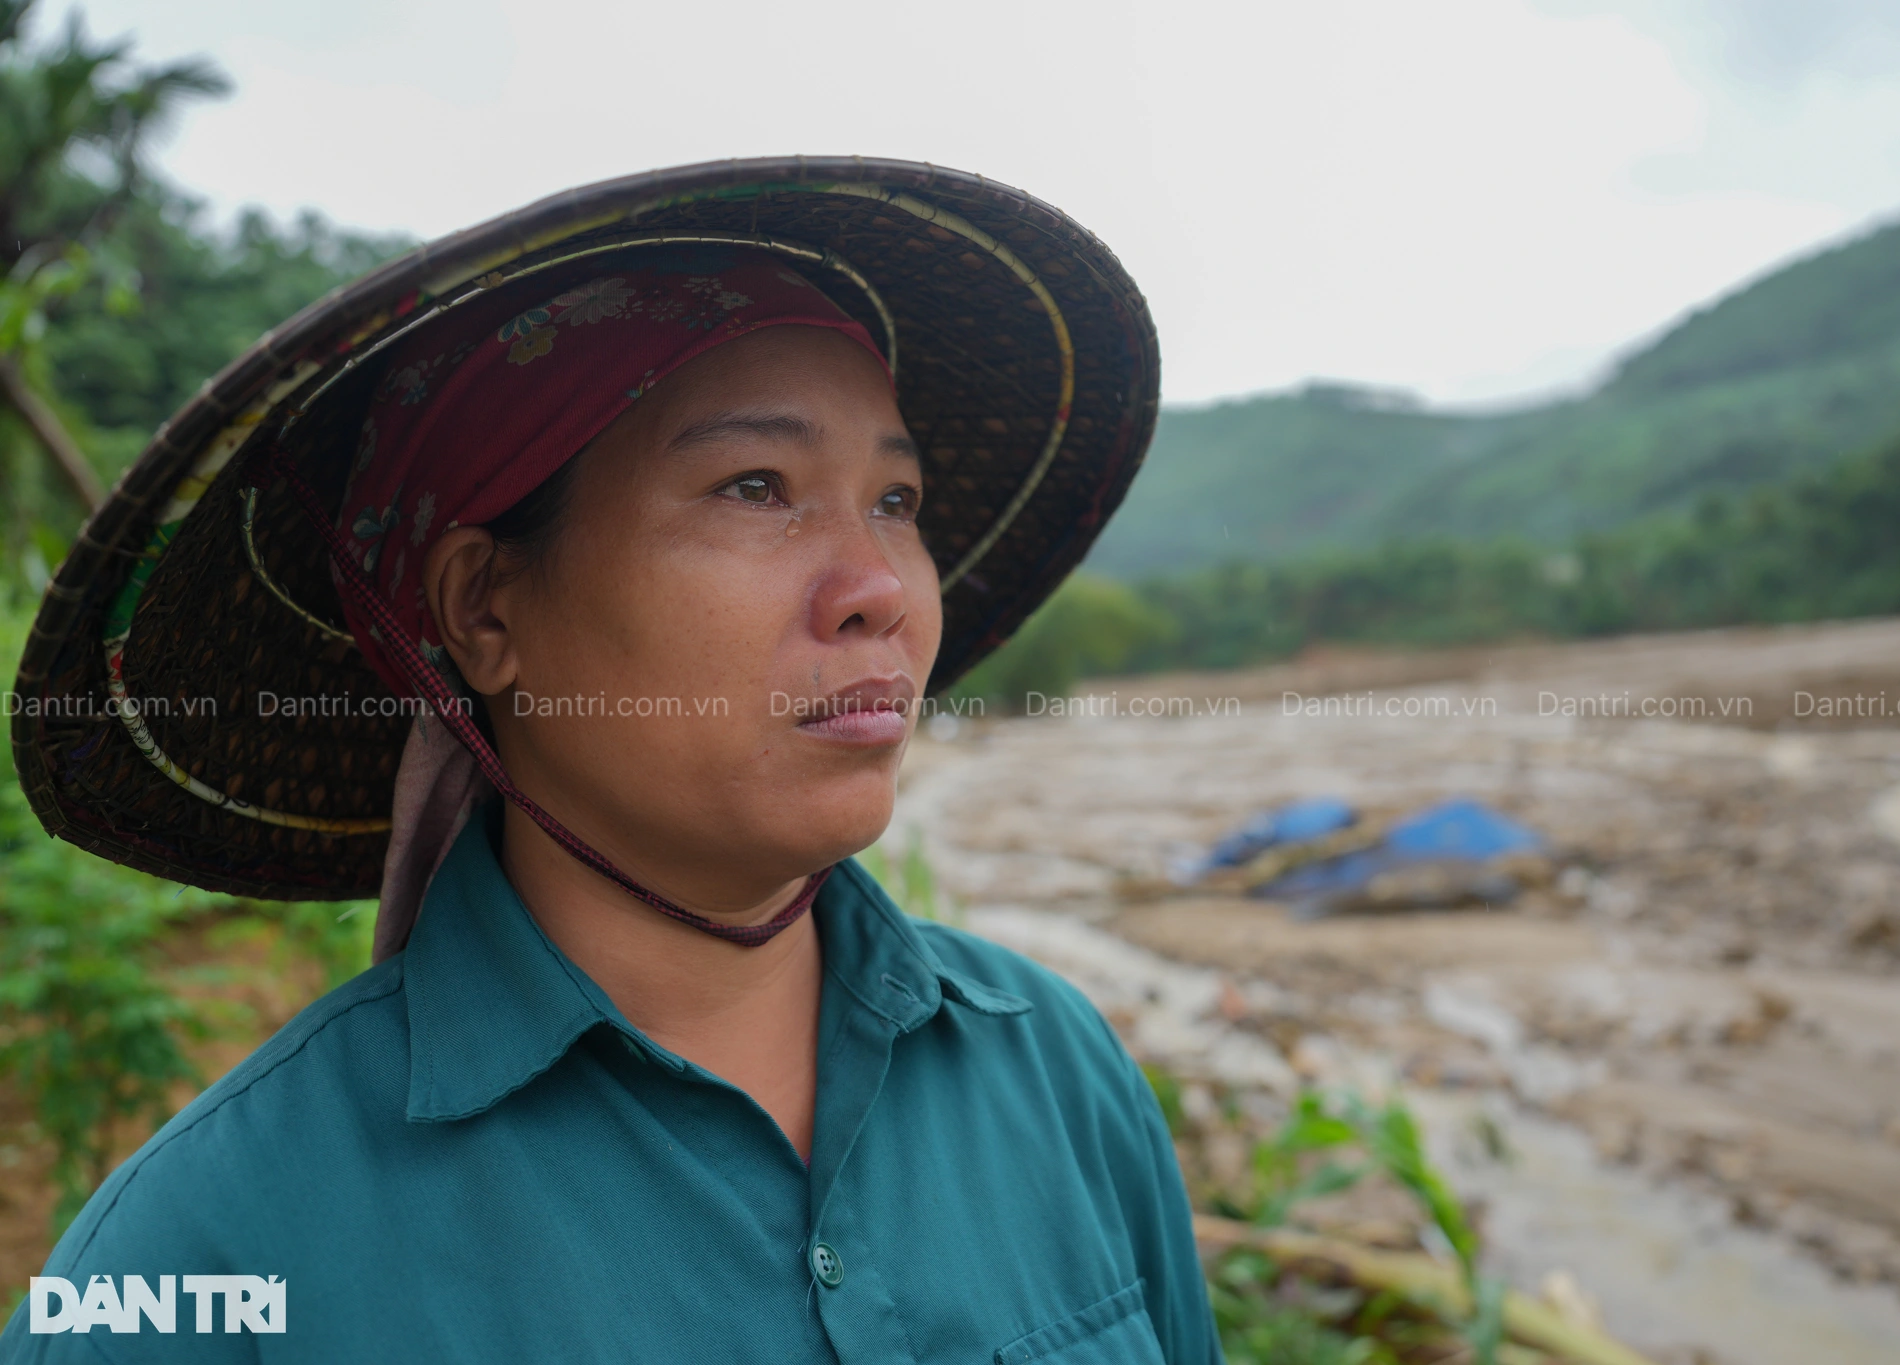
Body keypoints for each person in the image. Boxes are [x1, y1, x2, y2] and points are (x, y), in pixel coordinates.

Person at [3, 161, 1211, 1361]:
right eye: (757, 487)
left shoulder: (1052, 1067)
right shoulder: (200, 1260)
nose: (879, 590)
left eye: (895, 502)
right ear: (484, 610)